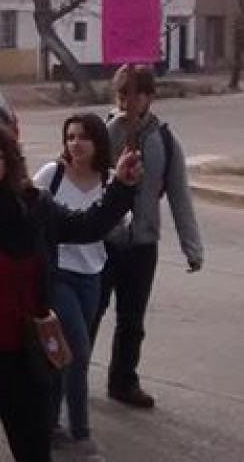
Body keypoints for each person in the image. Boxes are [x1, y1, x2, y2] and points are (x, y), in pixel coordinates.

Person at [0, 123, 142, 462]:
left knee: (34, 452)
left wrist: (121, 187)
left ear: (9, 161)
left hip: (26, 359)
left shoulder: (36, 206)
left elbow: (88, 226)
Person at [94, 64, 204, 410]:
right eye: (122, 93)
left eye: (135, 94)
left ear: (149, 97)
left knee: (132, 320)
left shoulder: (166, 141)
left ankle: (124, 380)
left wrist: (192, 247)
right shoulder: (102, 134)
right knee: (90, 313)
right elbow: (80, 176)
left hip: (142, 243)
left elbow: (179, 196)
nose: (128, 101)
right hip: (102, 241)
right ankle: (69, 378)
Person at [32, 113, 113, 458]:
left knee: (63, 356)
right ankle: (80, 434)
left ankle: (47, 422)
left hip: (92, 274)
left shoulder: (108, 180)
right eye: (70, 137)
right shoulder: (52, 175)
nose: (75, 144)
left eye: (83, 137)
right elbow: (29, 210)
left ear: (98, 143)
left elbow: (115, 223)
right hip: (58, 273)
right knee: (76, 353)